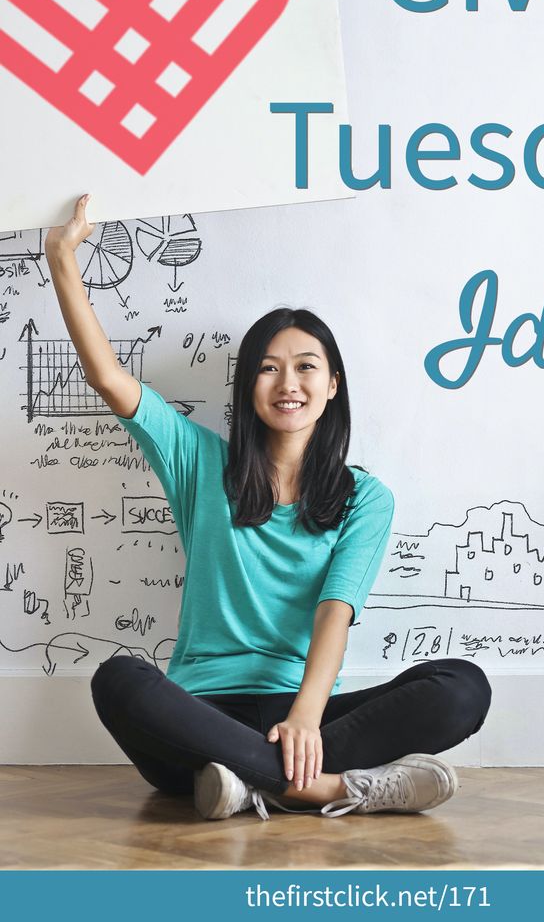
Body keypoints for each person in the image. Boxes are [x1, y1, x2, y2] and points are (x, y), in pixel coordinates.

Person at [44, 194, 492, 821]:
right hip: (199, 713)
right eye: (268, 369)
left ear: (332, 385)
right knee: (119, 680)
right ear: (247, 387)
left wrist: (306, 716)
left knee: (461, 687)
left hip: (304, 712)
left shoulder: (366, 496)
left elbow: (336, 611)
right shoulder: (199, 463)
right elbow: (109, 378)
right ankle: (328, 790)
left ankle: (242, 782)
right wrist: (61, 257)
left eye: (306, 367)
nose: (288, 384)